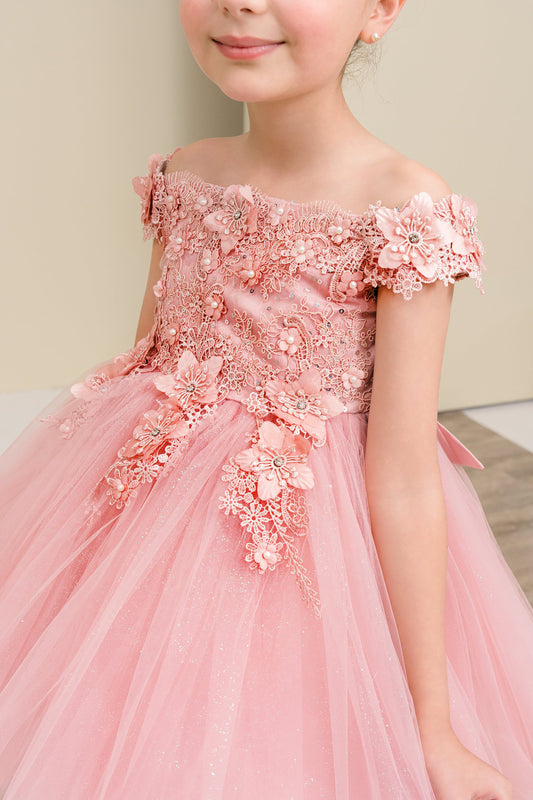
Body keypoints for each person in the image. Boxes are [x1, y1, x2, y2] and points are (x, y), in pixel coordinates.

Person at [0, 0, 532, 797]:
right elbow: (148, 361)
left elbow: (404, 473)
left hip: (305, 542)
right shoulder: (186, 171)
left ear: (379, 11)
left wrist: (430, 726)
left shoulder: (402, 207)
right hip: (143, 511)